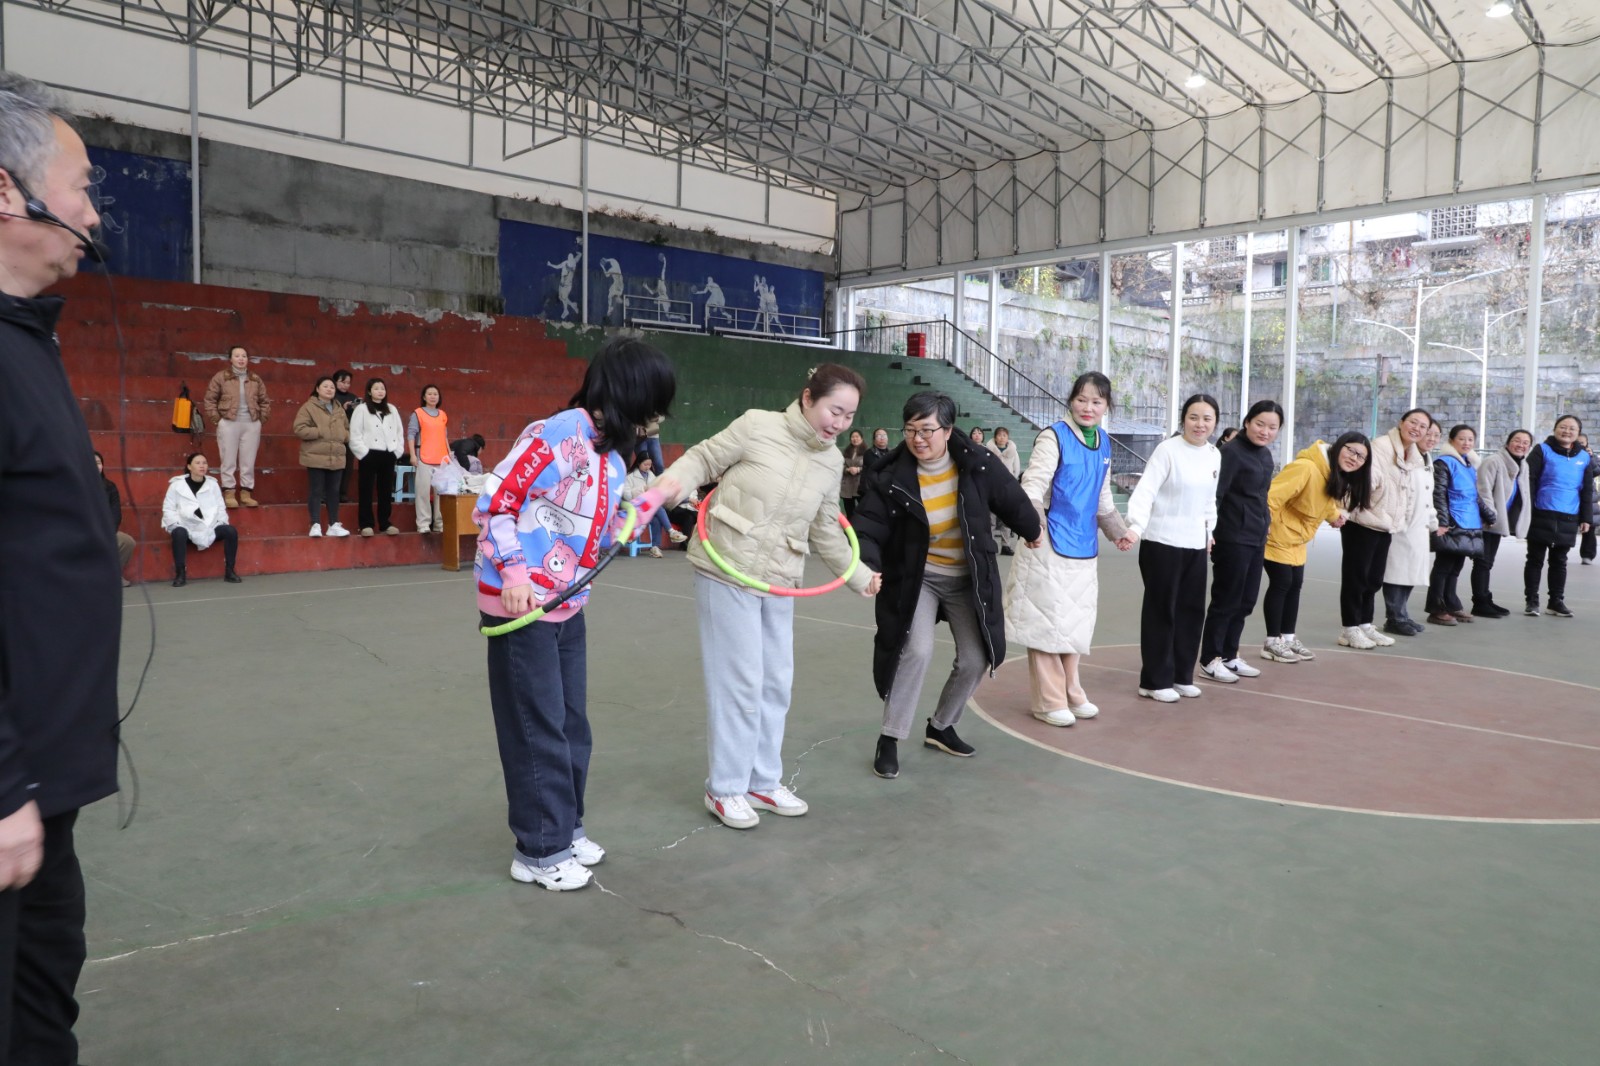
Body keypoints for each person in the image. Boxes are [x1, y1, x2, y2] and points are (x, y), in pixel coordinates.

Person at [0, 74, 121, 1061]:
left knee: (42, 1001)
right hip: (11, 789)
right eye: (79, 188)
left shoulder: (27, 342)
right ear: (9, 193)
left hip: (43, 777)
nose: (92, 214)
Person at [477, 336, 677, 891]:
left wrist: (636, 512)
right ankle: (539, 851)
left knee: (571, 726)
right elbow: (496, 503)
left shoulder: (609, 457)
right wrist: (514, 575)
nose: (658, 418)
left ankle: (566, 828)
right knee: (536, 727)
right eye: (654, 405)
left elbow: (596, 532)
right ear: (630, 394)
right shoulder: (559, 433)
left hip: (567, 605)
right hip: (521, 606)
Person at [654, 364, 878, 829]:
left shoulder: (831, 462)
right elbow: (703, 460)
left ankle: (762, 781)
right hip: (727, 568)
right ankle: (726, 788)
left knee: (776, 683)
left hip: (780, 577)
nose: (839, 424)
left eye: (849, 416)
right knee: (739, 682)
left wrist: (859, 576)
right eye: (834, 410)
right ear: (808, 398)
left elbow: (826, 529)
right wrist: (666, 488)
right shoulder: (757, 425)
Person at [853, 392, 1041, 777]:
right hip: (917, 578)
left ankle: (941, 726)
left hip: (967, 578)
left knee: (976, 658)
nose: (917, 439)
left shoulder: (977, 463)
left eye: (927, 430)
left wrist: (1031, 529)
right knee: (916, 649)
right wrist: (866, 567)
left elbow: (1010, 496)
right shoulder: (890, 476)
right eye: (910, 430)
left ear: (948, 430)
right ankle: (890, 737)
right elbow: (868, 527)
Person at [1002, 372, 1132, 726]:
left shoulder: (1103, 443)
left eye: (1097, 401)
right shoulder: (1053, 436)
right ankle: (1049, 701)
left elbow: (1102, 498)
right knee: (1045, 623)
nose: (1088, 407)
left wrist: (1118, 532)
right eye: (1081, 399)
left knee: (1074, 623)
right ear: (1071, 400)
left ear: (1106, 406)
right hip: (1046, 542)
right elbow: (1032, 487)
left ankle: (1072, 691)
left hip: (1083, 546)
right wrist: (1033, 527)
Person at [1124, 394, 1220, 702]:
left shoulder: (1214, 455)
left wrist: (1209, 532)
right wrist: (1135, 526)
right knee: (1161, 611)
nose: (1200, 424)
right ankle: (1154, 681)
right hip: (1161, 542)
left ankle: (1181, 676)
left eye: (1207, 418)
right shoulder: (1167, 450)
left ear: (1215, 423)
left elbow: (1209, 500)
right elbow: (1146, 490)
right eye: (1194, 417)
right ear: (1183, 420)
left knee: (1191, 612)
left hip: (1195, 544)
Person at [1260, 433, 1371, 663]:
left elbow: (1323, 501)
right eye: (1351, 450)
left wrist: (1333, 515)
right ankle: (1272, 642)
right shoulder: (1306, 467)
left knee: (1295, 585)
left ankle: (1287, 637)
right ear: (1339, 446)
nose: (1354, 458)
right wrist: (1264, 524)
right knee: (1281, 583)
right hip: (1277, 533)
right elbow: (1272, 496)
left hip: (1297, 537)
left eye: (1361, 457)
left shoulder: (1331, 472)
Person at [1199, 400, 1283, 684]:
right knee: (1226, 598)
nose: (1265, 431)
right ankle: (1210, 658)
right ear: (1247, 422)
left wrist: (1265, 524)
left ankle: (1229, 654)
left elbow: (1261, 496)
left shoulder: (1265, 455)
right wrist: (1209, 532)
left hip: (1256, 537)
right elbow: (1216, 495)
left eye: (1272, 427)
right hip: (1232, 537)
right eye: (1260, 424)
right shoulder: (1231, 453)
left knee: (1246, 600)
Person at [1341, 409, 1429, 649]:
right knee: (1356, 579)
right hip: (1362, 522)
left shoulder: (1412, 456)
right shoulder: (1380, 447)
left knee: (1373, 580)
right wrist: (1346, 511)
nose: (1417, 428)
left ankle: (1365, 624)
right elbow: (1365, 482)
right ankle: (1350, 628)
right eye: (1413, 422)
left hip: (1385, 524)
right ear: (1401, 423)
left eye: (1422, 426)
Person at [1523, 414, 1594, 618]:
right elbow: (1529, 480)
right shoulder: (1542, 450)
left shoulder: (1584, 457)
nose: (1567, 431)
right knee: (1535, 559)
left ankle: (1556, 602)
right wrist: (1528, 509)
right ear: (1555, 429)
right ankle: (1532, 601)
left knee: (1559, 561)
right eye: (1563, 427)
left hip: (1569, 516)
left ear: (1578, 433)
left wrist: (1586, 518)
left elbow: (1587, 490)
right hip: (1541, 512)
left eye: (1572, 428)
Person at [1425, 425, 1495, 626]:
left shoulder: (1469, 465)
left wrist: (1488, 515)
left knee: (1455, 567)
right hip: (1453, 521)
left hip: (1469, 523)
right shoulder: (1444, 463)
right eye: (1462, 439)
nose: (1466, 443)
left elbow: (1474, 496)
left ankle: (1451, 603)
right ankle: (1436, 608)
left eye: (1470, 439)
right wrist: (1443, 521)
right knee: (1444, 566)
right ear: (1451, 441)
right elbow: (1439, 494)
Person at [1381, 417, 1441, 636]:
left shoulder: (1427, 460)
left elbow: (1428, 497)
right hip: (1402, 525)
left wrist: (1433, 523)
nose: (1431, 438)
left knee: (1411, 573)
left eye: (1436, 435)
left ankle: (1403, 614)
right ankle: (1394, 617)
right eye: (1428, 433)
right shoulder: (1404, 456)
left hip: (1419, 526)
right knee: (1396, 573)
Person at [203, 343, 271, 509]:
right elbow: (210, 399)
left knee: (248, 460)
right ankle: (229, 492)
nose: (241, 359)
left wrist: (260, 420)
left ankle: (246, 493)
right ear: (230, 359)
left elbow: (264, 401)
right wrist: (217, 420)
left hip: (251, 423)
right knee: (228, 459)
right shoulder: (221, 377)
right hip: (229, 422)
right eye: (237, 356)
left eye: (244, 356)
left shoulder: (255, 379)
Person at [1473, 429, 1532, 617]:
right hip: (1487, 520)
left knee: (1487, 563)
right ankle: (1480, 603)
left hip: (1499, 521)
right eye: (1517, 440)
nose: (1521, 445)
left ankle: (1485, 599)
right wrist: (1490, 516)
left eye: (1525, 443)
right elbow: (1483, 491)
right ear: (1507, 443)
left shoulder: (1523, 465)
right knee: (1482, 563)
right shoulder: (1493, 461)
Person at [161, 452, 242, 585]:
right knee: (179, 533)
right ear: (189, 466)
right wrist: (177, 524)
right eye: (198, 463)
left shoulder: (213, 484)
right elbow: (168, 508)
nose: (202, 466)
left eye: (204, 463)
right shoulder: (176, 485)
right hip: (186, 526)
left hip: (210, 527)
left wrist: (219, 523)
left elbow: (220, 507)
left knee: (230, 531)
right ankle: (180, 573)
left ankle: (230, 571)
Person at [293, 375, 352, 538]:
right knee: (316, 491)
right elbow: (299, 428)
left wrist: (343, 435)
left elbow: (347, 429)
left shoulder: (339, 409)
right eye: (325, 386)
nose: (329, 389)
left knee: (334, 491)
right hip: (315, 455)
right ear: (317, 389)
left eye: (332, 387)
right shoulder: (308, 407)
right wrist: (320, 431)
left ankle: (333, 524)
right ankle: (315, 524)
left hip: (336, 455)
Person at [348, 377, 405, 537]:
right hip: (369, 454)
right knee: (365, 490)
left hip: (388, 454)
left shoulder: (392, 409)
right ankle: (366, 524)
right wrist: (363, 453)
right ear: (369, 391)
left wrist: (397, 451)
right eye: (376, 388)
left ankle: (385, 523)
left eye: (382, 388)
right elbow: (355, 433)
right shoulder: (362, 409)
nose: (380, 391)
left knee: (385, 490)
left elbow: (399, 432)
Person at [621, 456, 685, 557]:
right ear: (638, 463)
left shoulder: (652, 476)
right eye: (645, 464)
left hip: (649, 509)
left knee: (656, 519)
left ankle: (655, 547)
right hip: (636, 507)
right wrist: (642, 490)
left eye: (649, 465)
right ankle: (671, 532)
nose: (647, 467)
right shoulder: (630, 477)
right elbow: (626, 495)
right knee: (657, 508)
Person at [408, 384, 450, 533]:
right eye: (430, 394)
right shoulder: (418, 413)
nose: (433, 396)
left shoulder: (443, 414)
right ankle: (423, 524)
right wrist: (412, 455)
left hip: (442, 459)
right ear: (424, 397)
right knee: (423, 492)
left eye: (435, 394)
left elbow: (444, 436)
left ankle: (439, 523)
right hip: (424, 458)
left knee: (441, 493)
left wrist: (449, 454)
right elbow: (411, 434)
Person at [96, 450, 135, 587]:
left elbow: (115, 513)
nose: (96, 466)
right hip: (83, 530)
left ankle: (113, 575)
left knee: (127, 542)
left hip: (105, 530)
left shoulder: (110, 487)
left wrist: (108, 532)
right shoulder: (77, 486)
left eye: (98, 463)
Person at [986, 426, 1023, 554]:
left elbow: (1016, 468)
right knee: (991, 518)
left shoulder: (1013, 452)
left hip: (1007, 487)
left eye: (1004, 435)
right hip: (991, 487)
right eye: (999, 435)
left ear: (1008, 438)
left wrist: (1011, 482)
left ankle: (1006, 545)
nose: (1002, 437)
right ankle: (990, 544)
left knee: (1006, 518)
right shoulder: (988, 450)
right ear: (995, 437)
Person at [333, 368, 358, 503]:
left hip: (349, 435)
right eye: (342, 382)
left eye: (348, 383)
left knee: (348, 465)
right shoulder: (331, 397)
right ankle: (330, 493)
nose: (345, 385)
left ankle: (343, 493)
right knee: (334, 464)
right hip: (334, 435)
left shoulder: (353, 397)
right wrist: (342, 409)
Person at [839, 429, 867, 519]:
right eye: (853, 437)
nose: (855, 439)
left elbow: (870, 467)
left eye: (857, 437)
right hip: (847, 486)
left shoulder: (867, 452)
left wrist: (858, 469)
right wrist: (847, 469)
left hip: (860, 486)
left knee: (863, 511)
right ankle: (850, 527)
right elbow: (839, 466)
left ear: (861, 438)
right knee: (849, 512)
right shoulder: (846, 452)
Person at [1579, 434, 1598, 565]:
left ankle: (1588, 555)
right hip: (1571, 493)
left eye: (1582, 443)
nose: (1580, 445)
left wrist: (1590, 457)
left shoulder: (1591, 456)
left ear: (1587, 443)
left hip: (1589, 495)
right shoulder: (1566, 453)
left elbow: (1596, 471)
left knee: (1589, 526)